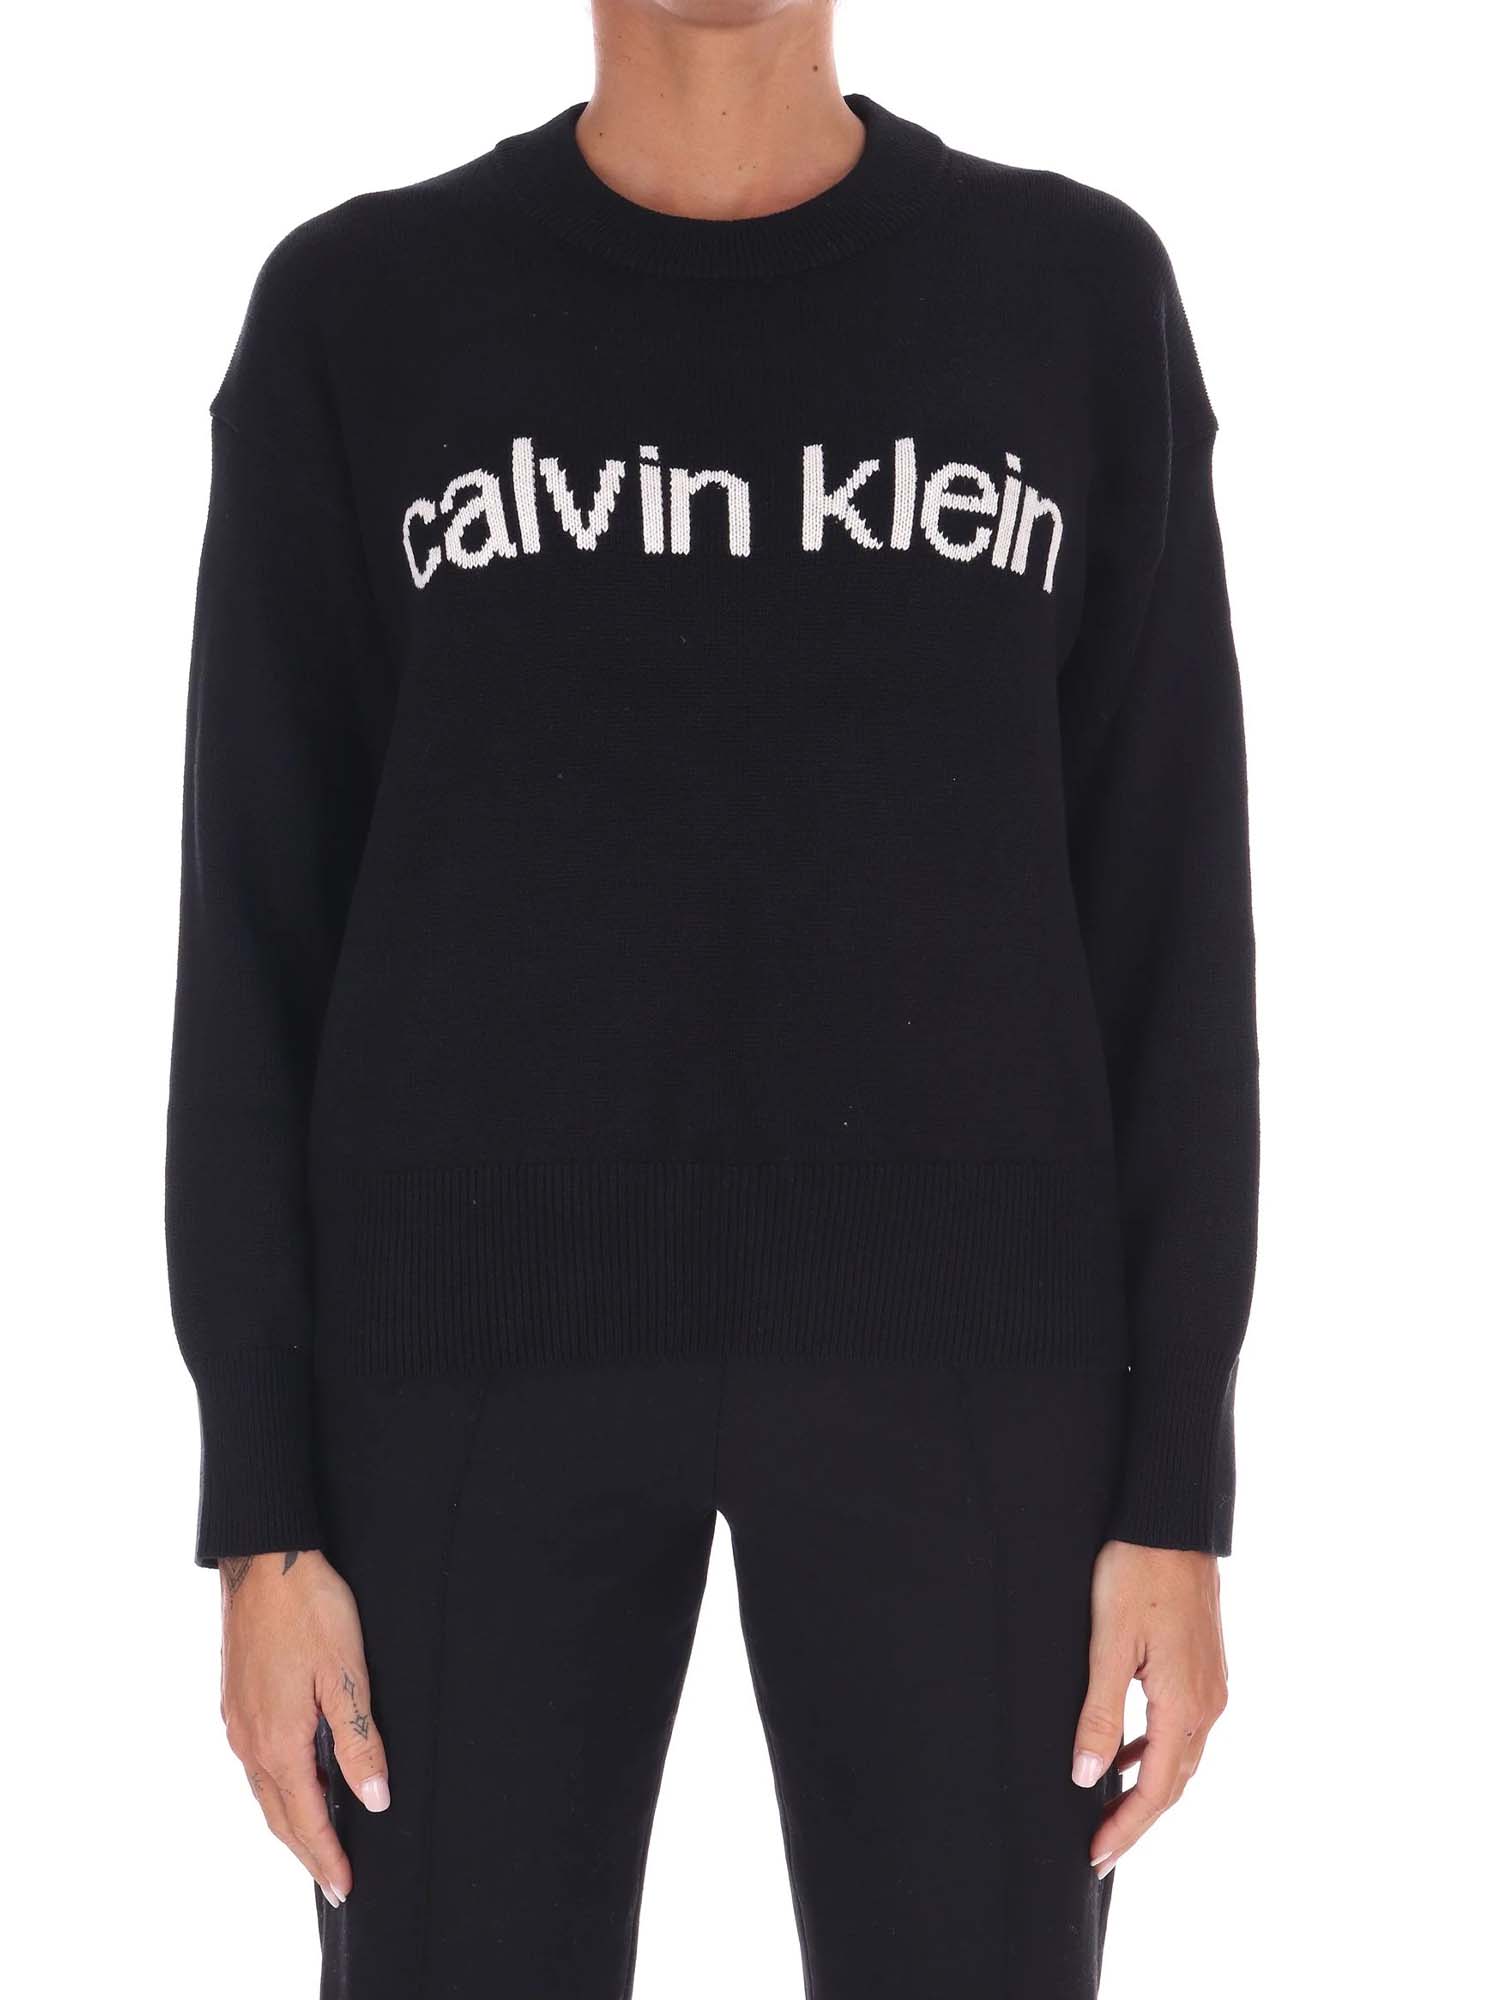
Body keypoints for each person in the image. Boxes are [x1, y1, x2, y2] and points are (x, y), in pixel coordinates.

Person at [166, 2, 1258, 1994]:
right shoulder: (361, 313)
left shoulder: (1073, 299)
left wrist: (1176, 1483)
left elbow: (1171, 922)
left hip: (978, 1370)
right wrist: (263, 1507)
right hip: (457, 1365)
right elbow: (253, 934)